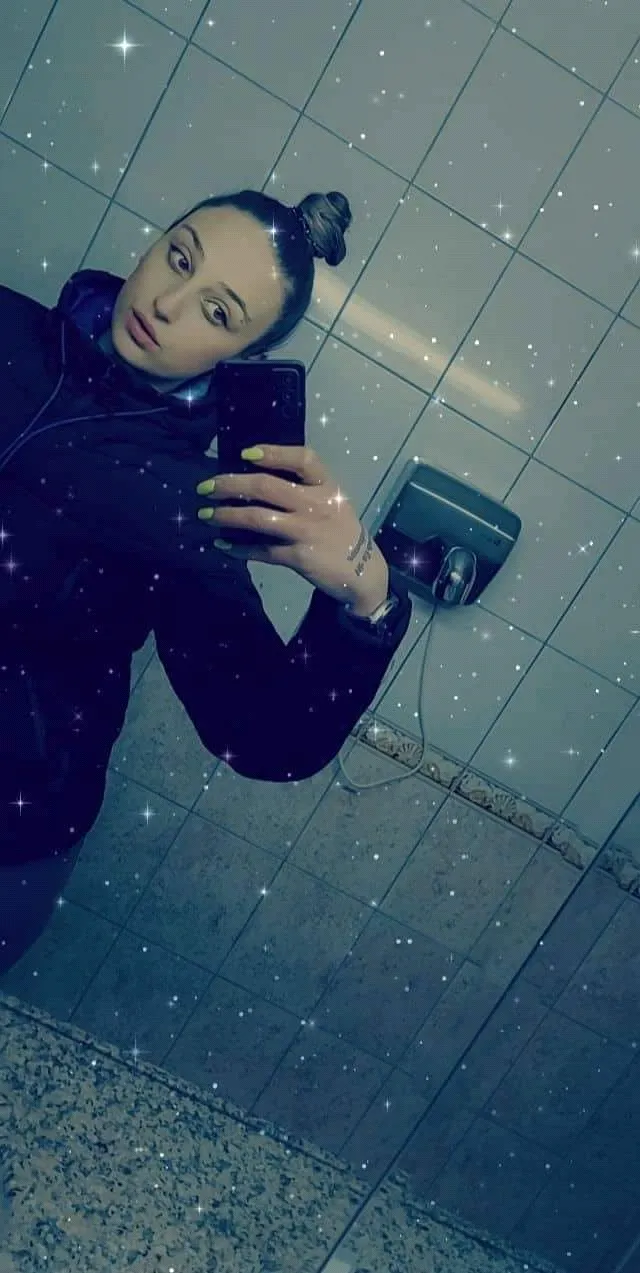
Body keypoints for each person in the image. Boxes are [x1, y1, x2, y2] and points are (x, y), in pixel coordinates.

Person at [0, 188, 412, 976]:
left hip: (10, 831)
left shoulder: (197, 505)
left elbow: (263, 735)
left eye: (218, 313)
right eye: (179, 257)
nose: (167, 302)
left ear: (244, 355)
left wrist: (365, 596)